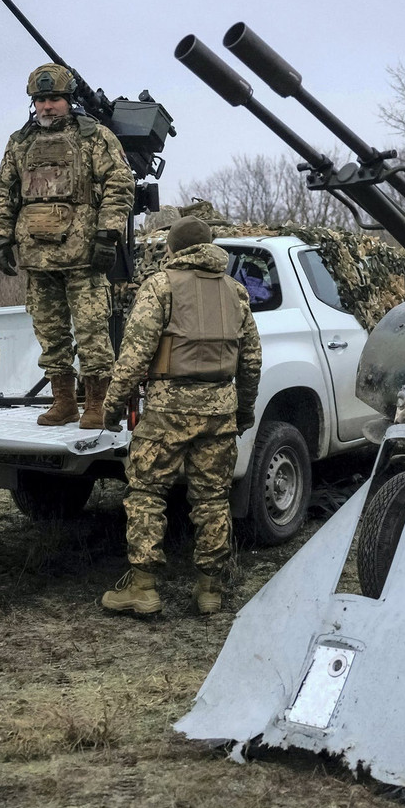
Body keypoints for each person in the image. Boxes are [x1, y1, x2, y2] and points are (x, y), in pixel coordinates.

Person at [100, 216, 262, 615]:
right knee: (212, 499)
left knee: (147, 494)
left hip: (166, 412)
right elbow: (252, 360)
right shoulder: (235, 291)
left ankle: (143, 587)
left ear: (173, 249)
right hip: (219, 412)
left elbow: (134, 354)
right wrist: (243, 411)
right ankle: (209, 590)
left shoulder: (161, 285)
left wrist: (112, 407)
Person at [0, 63, 134, 429]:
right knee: (50, 335)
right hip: (37, 258)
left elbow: (120, 184)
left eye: (53, 98)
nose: (46, 106)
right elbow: (3, 192)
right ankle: (64, 402)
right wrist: (1, 238)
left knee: (92, 333)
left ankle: (97, 404)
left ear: (68, 100)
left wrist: (107, 235)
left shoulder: (94, 137)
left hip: (82, 258)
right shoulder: (20, 142)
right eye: (40, 100)